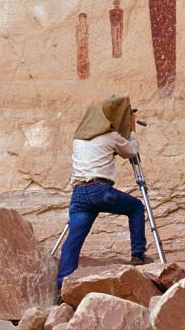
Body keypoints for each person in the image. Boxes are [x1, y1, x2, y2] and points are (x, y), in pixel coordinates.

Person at [56, 96, 149, 290]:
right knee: (136, 208)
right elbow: (131, 151)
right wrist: (131, 130)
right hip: (99, 190)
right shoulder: (111, 136)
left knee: (74, 240)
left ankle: (61, 285)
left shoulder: (79, 139)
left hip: (79, 194)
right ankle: (137, 255)